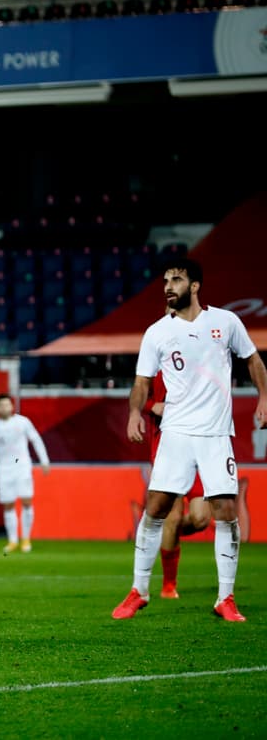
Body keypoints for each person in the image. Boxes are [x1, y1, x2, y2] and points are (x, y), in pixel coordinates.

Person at [113, 258, 267, 622]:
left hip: (215, 434)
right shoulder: (157, 332)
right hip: (176, 433)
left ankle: (225, 598)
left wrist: (264, 397)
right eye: (166, 280)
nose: (169, 286)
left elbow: (253, 360)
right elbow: (142, 382)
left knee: (225, 512)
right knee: (156, 508)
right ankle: (139, 590)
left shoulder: (225, 322)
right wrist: (135, 413)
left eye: (177, 279)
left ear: (194, 286)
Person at [142, 373, 212, 599]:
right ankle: (169, 585)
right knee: (172, 517)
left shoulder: (200, 364)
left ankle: (168, 533)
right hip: (167, 449)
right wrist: (152, 406)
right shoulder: (157, 365)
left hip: (198, 446)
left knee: (201, 519)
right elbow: (137, 395)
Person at [0, 393, 51, 554]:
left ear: (12, 406)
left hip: (22, 466)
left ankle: (26, 539)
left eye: (7, 404)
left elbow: (36, 439)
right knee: (8, 504)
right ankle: (13, 541)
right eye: (1, 405)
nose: (4, 408)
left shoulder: (23, 422)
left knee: (26, 500)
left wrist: (44, 461)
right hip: (4, 469)